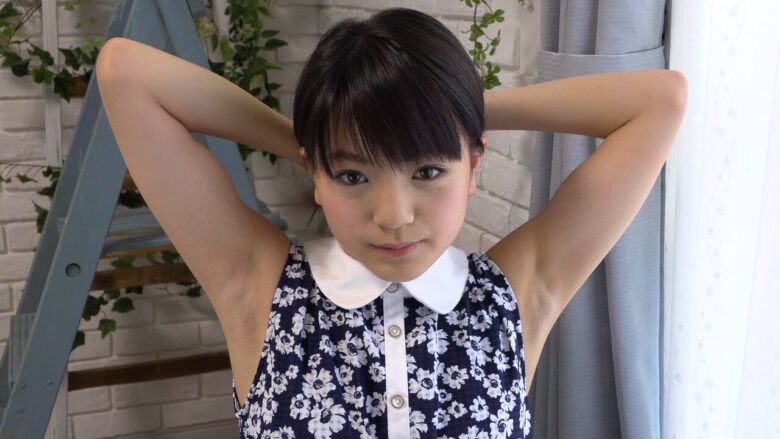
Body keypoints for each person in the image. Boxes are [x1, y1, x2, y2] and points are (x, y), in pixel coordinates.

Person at [95, 6, 687, 439]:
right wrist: (316, 138)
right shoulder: (260, 289)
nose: (395, 217)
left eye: (428, 170)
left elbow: (661, 100)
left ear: (472, 165)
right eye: (353, 175)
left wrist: (454, 111)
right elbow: (125, 74)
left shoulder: (513, 297)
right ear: (317, 175)